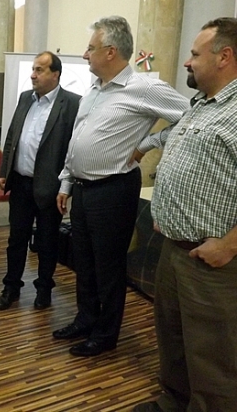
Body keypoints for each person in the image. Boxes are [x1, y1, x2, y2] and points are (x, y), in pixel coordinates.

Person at [53, 16, 189, 357]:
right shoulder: (94, 89)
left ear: (111, 51)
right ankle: (86, 319)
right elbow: (77, 140)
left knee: (108, 267)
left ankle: (105, 334)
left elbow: (191, 118)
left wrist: (148, 143)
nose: (85, 55)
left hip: (113, 190)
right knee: (84, 261)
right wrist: (66, 182)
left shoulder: (143, 87)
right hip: (82, 188)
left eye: (90, 48)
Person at [133, 17, 237, 412]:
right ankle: (173, 402)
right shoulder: (199, 105)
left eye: (194, 54)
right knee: (173, 339)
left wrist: (228, 246)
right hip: (174, 250)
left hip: (213, 261)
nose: (187, 62)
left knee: (213, 356)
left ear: (224, 56)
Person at [0, 51, 80, 311]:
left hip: (50, 187)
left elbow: (73, 148)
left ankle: (44, 289)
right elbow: (12, 136)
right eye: (33, 69)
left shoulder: (72, 103)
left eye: (40, 70)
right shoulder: (25, 98)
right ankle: (11, 286)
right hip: (21, 183)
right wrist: (4, 171)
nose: (33, 75)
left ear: (55, 74)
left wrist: (66, 186)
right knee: (16, 240)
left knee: (47, 241)